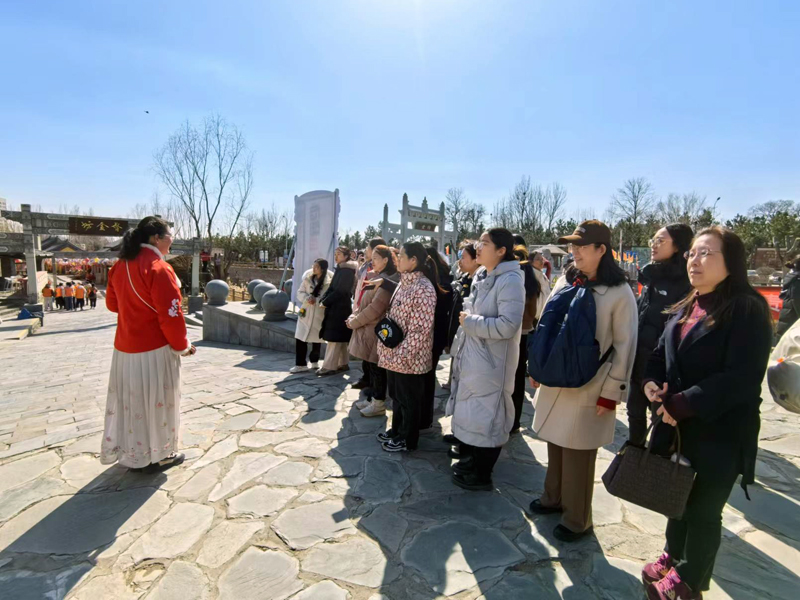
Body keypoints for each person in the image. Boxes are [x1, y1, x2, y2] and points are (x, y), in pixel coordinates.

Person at [641, 227, 773, 600]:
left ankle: (688, 581)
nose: (694, 261)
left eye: (706, 253)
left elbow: (741, 377)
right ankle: (672, 556)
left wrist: (682, 404)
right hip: (679, 427)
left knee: (703, 510)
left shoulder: (747, 309)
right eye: (692, 253)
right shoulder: (689, 303)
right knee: (677, 498)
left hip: (721, 430)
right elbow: (661, 354)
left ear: (731, 262)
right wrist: (650, 383)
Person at [530, 220, 637, 542]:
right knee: (556, 442)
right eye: (572, 245)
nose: (574, 251)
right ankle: (553, 497)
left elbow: (625, 346)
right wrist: (538, 367)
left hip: (591, 383)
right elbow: (545, 324)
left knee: (578, 451)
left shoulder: (619, 292)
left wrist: (612, 391)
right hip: (556, 376)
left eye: (581, 246)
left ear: (602, 249)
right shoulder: (566, 280)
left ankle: (577, 519)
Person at [100, 216, 196, 474]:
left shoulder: (119, 266)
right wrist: (182, 346)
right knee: (158, 402)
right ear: (156, 238)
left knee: (132, 404)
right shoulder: (159, 268)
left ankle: (134, 455)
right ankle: (160, 455)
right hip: (154, 349)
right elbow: (171, 315)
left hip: (125, 349)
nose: (172, 240)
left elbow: (112, 305)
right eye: (169, 235)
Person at [445, 228, 525, 490]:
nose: (478, 247)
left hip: (493, 362)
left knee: (489, 415)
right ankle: (473, 461)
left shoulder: (510, 280)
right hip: (475, 356)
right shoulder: (482, 274)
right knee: (473, 412)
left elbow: (509, 325)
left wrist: (471, 323)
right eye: (479, 242)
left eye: (485, 243)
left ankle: (483, 474)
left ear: (501, 251)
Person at [627, 224, 693, 444]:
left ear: (678, 246)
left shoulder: (687, 282)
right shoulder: (651, 276)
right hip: (639, 360)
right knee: (634, 413)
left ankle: (655, 459)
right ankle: (634, 454)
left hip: (663, 369)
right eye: (653, 240)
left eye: (660, 241)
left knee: (661, 421)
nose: (654, 245)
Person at [374, 242, 438, 452]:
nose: (397, 259)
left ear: (413, 260)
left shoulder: (424, 288)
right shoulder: (404, 282)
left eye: (401, 256)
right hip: (394, 353)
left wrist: (403, 355)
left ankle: (407, 439)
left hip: (410, 358)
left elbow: (420, 330)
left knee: (408, 400)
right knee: (397, 396)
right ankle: (397, 430)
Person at [349, 246, 400, 417]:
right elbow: (364, 303)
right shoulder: (378, 277)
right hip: (368, 329)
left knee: (377, 369)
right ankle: (373, 399)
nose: (373, 261)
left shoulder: (388, 280)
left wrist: (355, 321)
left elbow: (375, 309)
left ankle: (378, 403)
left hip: (376, 330)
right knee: (371, 367)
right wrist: (354, 315)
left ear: (386, 260)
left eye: (376, 258)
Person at [420, 246, 454, 429]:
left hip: (430, 335)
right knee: (428, 375)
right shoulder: (444, 279)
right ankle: (425, 416)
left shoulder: (430, 284)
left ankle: (423, 417)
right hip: (437, 334)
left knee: (424, 378)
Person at [510, 243, 541, 435]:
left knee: (510, 378)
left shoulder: (514, 278)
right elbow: (535, 310)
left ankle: (508, 420)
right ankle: (515, 421)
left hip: (512, 333)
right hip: (525, 333)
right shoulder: (532, 281)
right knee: (519, 378)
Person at [352, 237, 387, 388]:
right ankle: (367, 379)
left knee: (373, 356)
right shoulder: (367, 268)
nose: (366, 250)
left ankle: (375, 389)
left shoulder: (383, 277)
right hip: (361, 309)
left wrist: (359, 315)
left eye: (368, 248)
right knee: (365, 351)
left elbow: (375, 305)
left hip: (371, 319)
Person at [318, 246, 358, 375]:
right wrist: (324, 299)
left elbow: (341, 291)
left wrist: (325, 301)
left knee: (334, 338)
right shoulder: (341, 269)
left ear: (346, 256)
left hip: (340, 308)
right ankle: (343, 363)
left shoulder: (346, 271)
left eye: (339, 254)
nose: (336, 256)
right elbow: (332, 288)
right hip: (337, 307)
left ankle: (329, 366)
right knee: (340, 338)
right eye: (335, 254)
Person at [290, 259, 332, 374]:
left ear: (322, 269)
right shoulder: (307, 278)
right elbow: (300, 292)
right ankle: (300, 364)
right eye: (313, 266)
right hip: (306, 312)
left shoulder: (328, 282)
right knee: (300, 338)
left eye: (316, 267)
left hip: (318, 313)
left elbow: (328, 297)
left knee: (316, 339)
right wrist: (307, 298)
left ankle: (314, 361)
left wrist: (317, 300)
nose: (314, 268)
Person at [776, 257, 800, 343]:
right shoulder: (797, 280)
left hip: (789, 325)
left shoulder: (793, 277)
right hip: (792, 327)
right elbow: (797, 301)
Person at [531, 251, 552, 316]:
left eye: (542, 259)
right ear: (531, 261)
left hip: (545, 313)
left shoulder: (543, 276)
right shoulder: (529, 277)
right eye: (538, 259)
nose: (541, 261)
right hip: (535, 315)